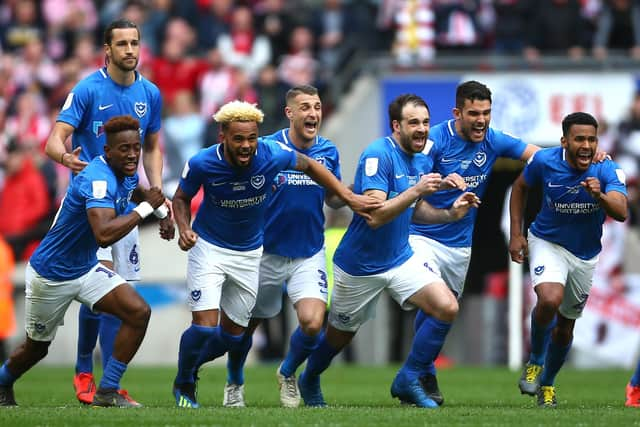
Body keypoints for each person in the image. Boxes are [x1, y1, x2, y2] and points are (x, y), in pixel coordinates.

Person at [171, 100, 381, 409]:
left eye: (251, 138)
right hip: (210, 248)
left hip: (250, 252)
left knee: (233, 336)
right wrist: (184, 228)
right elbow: (180, 198)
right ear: (223, 136)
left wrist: (348, 196)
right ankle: (185, 381)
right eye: (239, 138)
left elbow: (309, 165)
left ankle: (277, 372)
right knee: (204, 326)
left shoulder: (270, 155)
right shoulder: (202, 162)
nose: (246, 146)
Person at [296, 94, 480, 408]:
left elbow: (416, 209)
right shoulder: (377, 155)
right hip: (359, 266)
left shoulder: (422, 157)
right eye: (413, 123)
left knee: (446, 306)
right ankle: (309, 376)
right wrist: (416, 190)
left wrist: (450, 213)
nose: (422, 129)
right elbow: (375, 216)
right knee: (340, 335)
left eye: (425, 122)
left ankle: (409, 376)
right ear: (396, 126)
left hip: (400, 258)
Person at [0, 115, 172, 407]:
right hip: (51, 275)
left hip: (86, 267)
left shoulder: (126, 172)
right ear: (107, 151)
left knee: (138, 312)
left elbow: (142, 192)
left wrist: (163, 216)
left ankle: (107, 390)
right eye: (124, 149)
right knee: (36, 348)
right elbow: (104, 234)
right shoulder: (97, 179)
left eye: (136, 147)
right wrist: (145, 210)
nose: (132, 154)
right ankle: (3, 381)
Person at [44, 18, 168, 405]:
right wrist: (67, 158)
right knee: (99, 288)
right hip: (90, 207)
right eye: (122, 44)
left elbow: (151, 146)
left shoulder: (150, 93)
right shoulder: (87, 89)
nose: (130, 50)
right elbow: (52, 140)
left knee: (121, 294)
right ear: (107, 50)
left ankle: (111, 384)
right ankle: (84, 371)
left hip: (126, 203)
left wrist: (156, 192)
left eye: (135, 43)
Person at [408, 80, 537, 405]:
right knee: (438, 304)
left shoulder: (493, 140)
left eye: (486, 113)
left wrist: (588, 159)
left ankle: (422, 370)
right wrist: (440, 184)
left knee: (441, 312)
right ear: (457, 112)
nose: (481, 120)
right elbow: (413, 183)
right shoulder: (435, 139)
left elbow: (538, 156)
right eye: (474, 113)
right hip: (422, 235)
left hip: (460, 244)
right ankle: (417, 374)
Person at [213, 85, 343, 408]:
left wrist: (356, 195)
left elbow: (334, 197)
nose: (313, 113)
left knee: (313, 324)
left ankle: (287, 372)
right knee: (246, 325)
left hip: (308, 251)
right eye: (305, 107)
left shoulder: (328, 150)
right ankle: (234, 380)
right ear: (290, 113)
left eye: (317, 106)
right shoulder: (268, 148)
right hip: (265, 252)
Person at [509, 112, 627, 408]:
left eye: (591, 139)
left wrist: (599, 196)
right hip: (547, 241)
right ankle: (535, 361)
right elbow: (520, 187)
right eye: (579, 139)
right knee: (549, 299)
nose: (586, 145)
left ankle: (547, 384)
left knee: (566, 326)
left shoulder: (606, 168)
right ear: (565, 141)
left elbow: (622, 211)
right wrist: (516, 234)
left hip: (585, 256)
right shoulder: (544, 161)